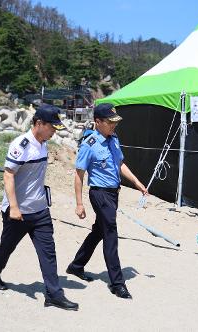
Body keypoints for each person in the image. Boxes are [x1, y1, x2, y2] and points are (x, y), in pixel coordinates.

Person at [0, 105, 78, 311]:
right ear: (39, 124)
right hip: (18, 212)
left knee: (48, 252)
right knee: (6, 247)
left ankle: (54, 294)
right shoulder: (21, 145)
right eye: (52, 127)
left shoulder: (43, 143)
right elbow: (8, 175)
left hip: (40, 210)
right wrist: (14, 208)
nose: (55, 131)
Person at [66, 103, 148, 299]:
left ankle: (76, 266)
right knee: (110, 230)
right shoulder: (89, 144)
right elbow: (79, 175)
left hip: (113, 193)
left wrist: (136, 182)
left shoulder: (114, 139)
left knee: (100, 231)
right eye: (110, 123)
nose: (114, 126)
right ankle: (117, 283)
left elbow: (119, 163)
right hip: (99, 194)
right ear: (98, 122)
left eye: (115, 122)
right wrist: (79, 204)